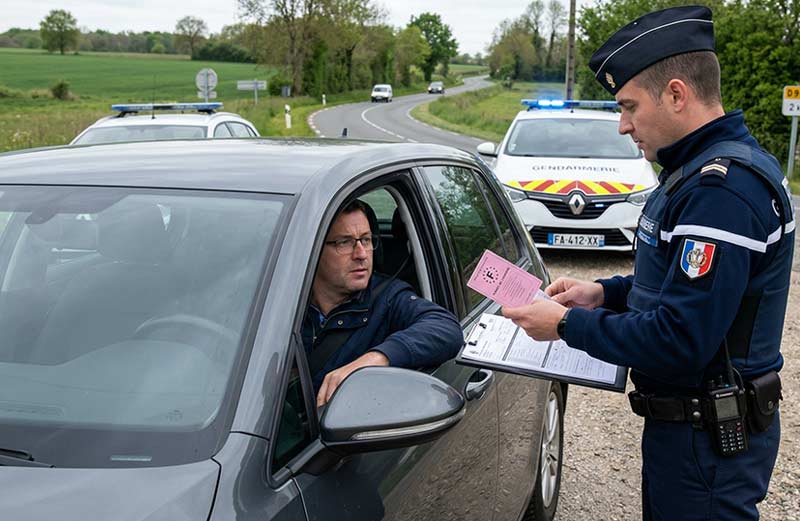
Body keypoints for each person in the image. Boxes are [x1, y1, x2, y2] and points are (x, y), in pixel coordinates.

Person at [502, 6, 792, 520]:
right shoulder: (694, 171)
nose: (623, 125)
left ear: (677, 94)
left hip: (707, 445)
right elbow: (686, 284)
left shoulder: (721, 189)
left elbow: (681, 339)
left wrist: (567, 324)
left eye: (629, 106)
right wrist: (607, 293)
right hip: (689, 434)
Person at [302, 199, 463, 407]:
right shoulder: (284, 302)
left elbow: (446, 328)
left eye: (366, 240)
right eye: (345, 242)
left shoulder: (388, 298)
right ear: (313, 250)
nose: (361, 254)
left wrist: (374, 360)